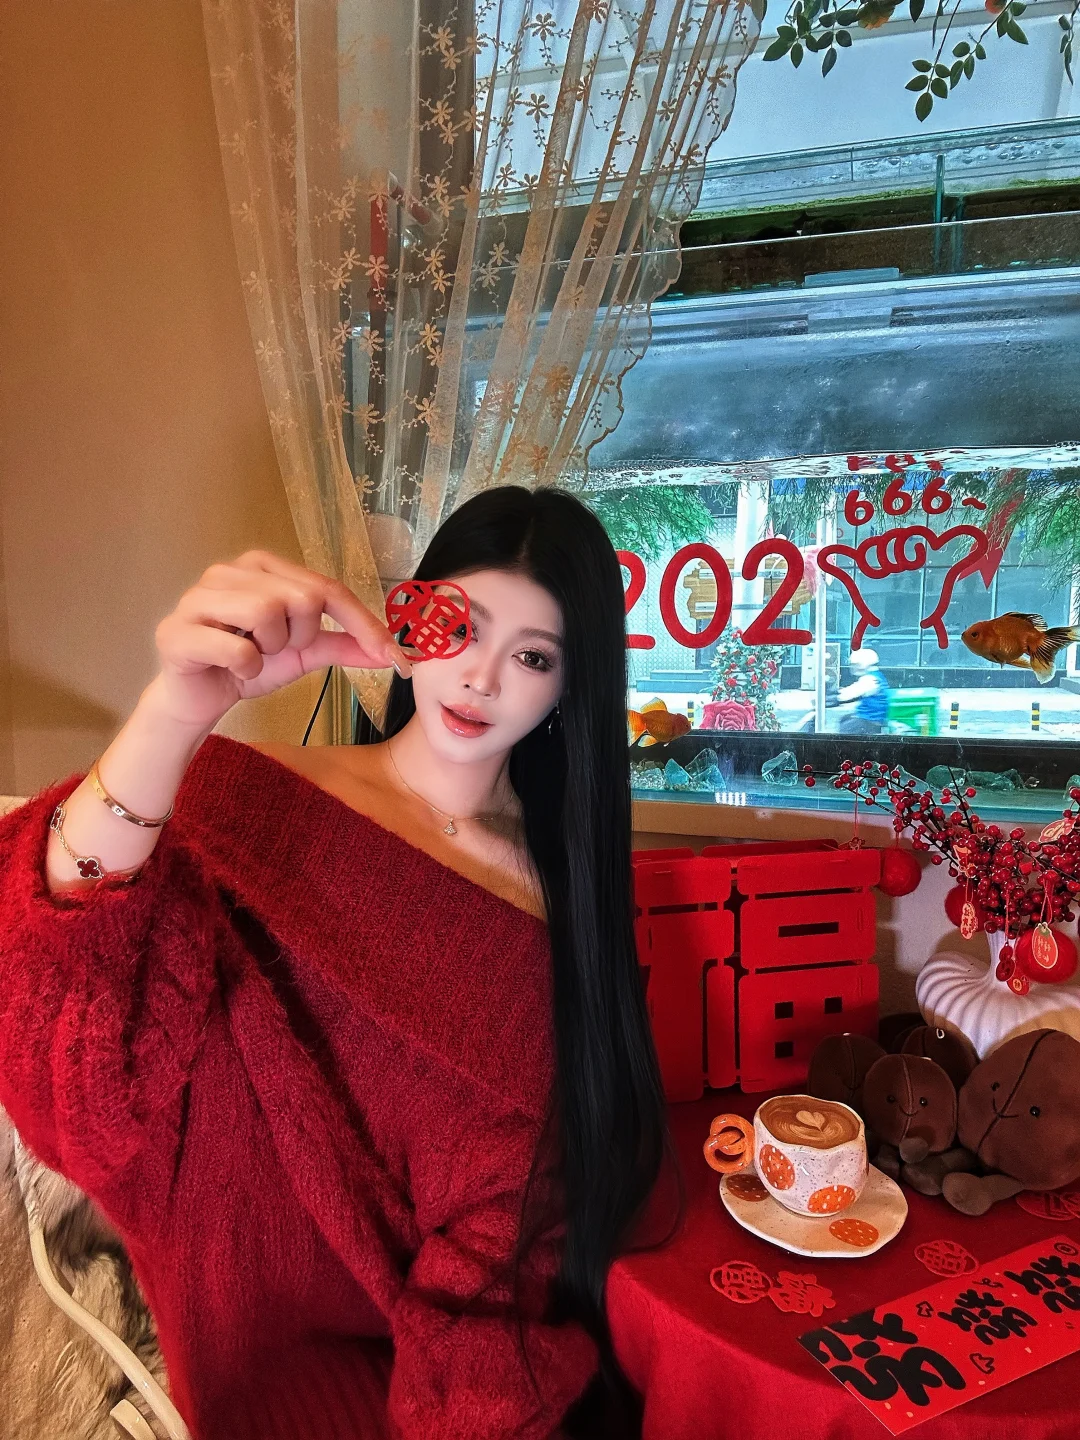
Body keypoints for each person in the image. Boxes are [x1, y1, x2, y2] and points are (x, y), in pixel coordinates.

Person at [0, 486, 668, 1440]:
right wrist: (171, 716)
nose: (480, 678)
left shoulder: (567, 911)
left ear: (570, 685)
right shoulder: (245, 797)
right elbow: (69, 1073)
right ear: (409, 622)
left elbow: (519, 1223)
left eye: (533, 657)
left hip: (447, 1371)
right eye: (459, 626)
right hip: (249, 1363)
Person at [836, 646, 891, 735]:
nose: (853, 667)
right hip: (871, 718)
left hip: (870, 720)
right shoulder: (876, 675)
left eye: (856, 664)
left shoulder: (870, 679)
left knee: (846, 728)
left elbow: (851, 693)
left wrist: (834, 696)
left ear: (864, 664)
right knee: (846, 718)